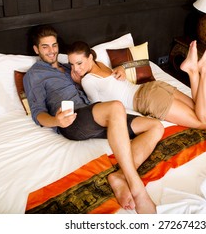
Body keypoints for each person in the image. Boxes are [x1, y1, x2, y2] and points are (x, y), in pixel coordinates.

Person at [23, 25, 164, 214]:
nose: (52, 51)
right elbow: (37, 112)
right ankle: (138, 189)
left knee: (155, 126)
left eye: (54, 45)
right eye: (45, 47)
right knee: (115, 107)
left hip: (94, 115)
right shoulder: (34, 75)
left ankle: (119, 177)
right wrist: (56, 121)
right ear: (36, 49)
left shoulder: (70, 67)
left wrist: (84, 80)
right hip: (72, 121)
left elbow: (98, 81)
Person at [67, 40, 206, 130]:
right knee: (201, 109)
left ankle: (205, 70)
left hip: (147, 99)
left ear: (90, 57)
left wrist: (80, 83)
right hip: (153, 87)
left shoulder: (87, 81)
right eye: (71, 65)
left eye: (79, 63)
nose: (76, 69)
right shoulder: (99, 64)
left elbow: (98, 109)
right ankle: (192, 71)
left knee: (205, 123)